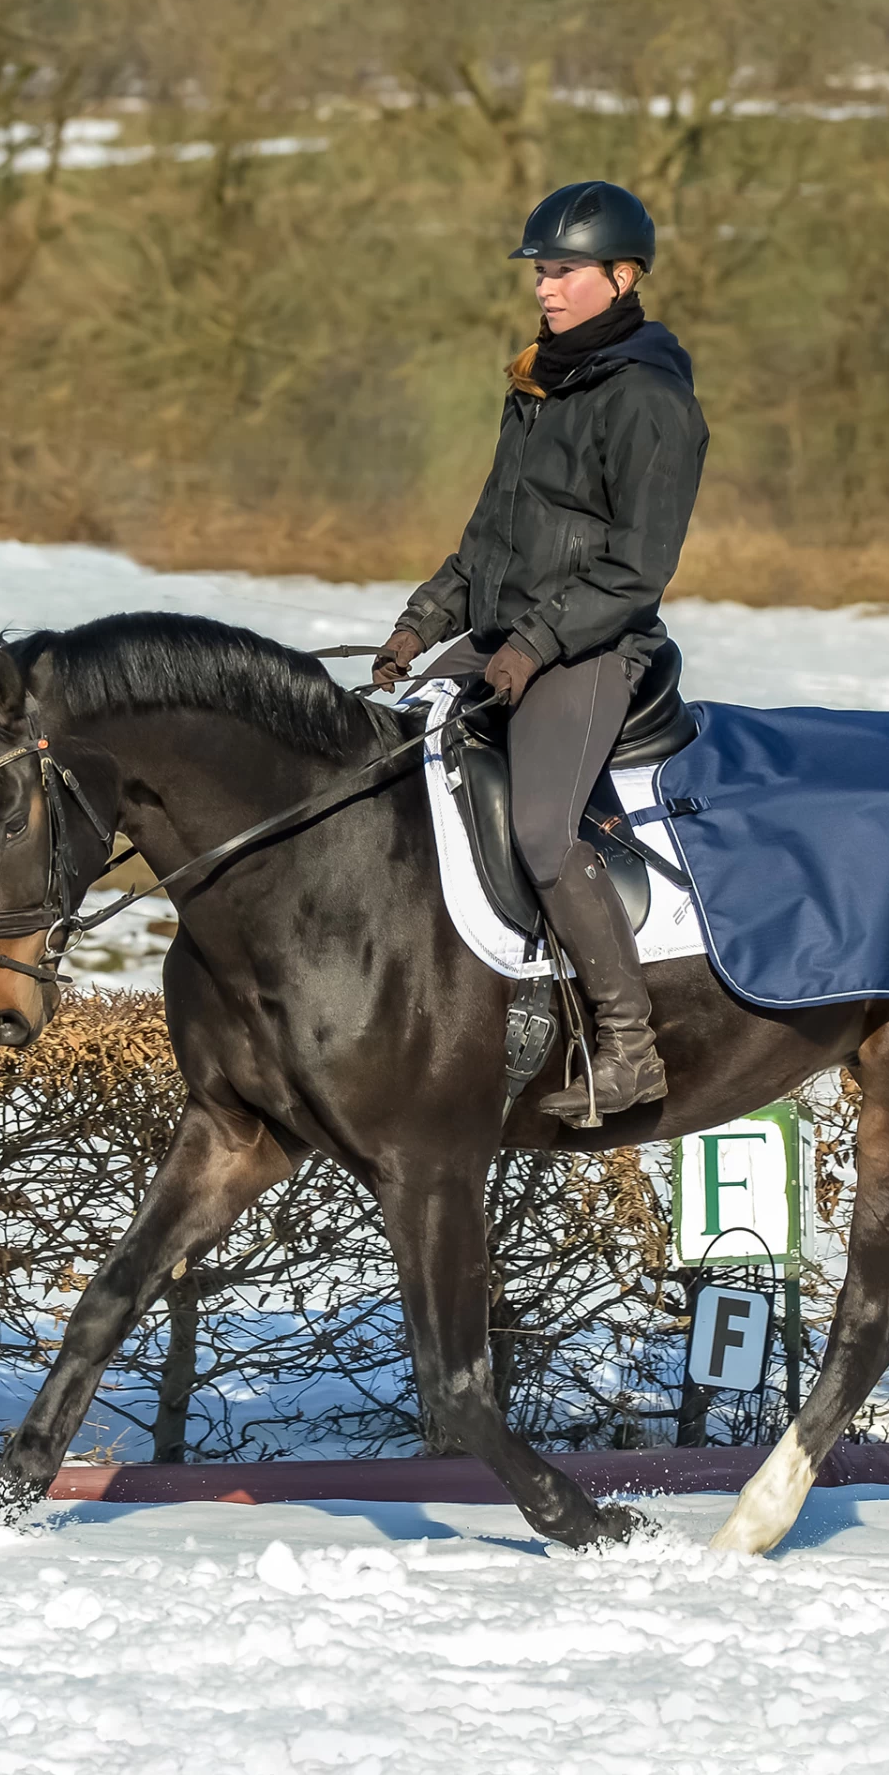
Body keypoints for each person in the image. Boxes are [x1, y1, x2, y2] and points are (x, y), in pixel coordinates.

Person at [372, 180, 708, 1124]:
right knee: (381, 765)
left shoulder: (651, 402)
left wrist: (536, 644)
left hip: (597, 649)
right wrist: (421, 621)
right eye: (541, 273)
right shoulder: (535, 382)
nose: (545, 289)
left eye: (563, 272)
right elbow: (488, 539)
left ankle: (627, 1045)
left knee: (542, 832)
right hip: (503, 641)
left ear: (621, 276)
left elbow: (637, 570)